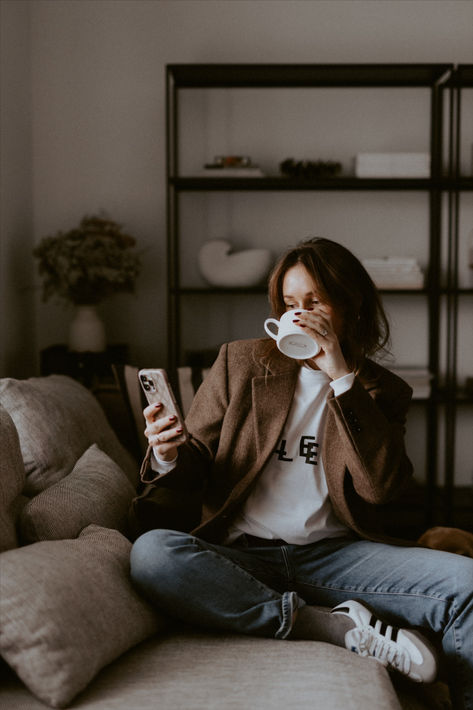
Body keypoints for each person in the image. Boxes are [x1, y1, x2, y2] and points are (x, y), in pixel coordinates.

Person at [129, 237, 472, 710]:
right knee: (152, 554)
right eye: (290, 304)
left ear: (348, 308)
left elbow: (380, 489)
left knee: (467, 585)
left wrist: (342, 379)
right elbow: (199, 464)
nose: (301, 314)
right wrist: (167, 452)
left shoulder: (382, 391)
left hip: (338, 558)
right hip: (242, 556)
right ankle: (329, 626)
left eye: (315, 302)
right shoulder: (239, 363)